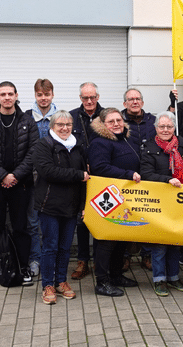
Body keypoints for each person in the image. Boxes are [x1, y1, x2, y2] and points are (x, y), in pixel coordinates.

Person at [0, 81, 39, 288]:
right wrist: (2, 176)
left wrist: (15, 176)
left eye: (10, 94)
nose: (7, 97)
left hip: (20, 184)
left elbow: (33, 152)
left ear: (16, 95)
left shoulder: (28, 121)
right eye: (3, 94)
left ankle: (23, 268)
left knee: (21, 227)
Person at [33, 111, 89, 305]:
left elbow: (85, 179)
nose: (65, 128)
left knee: (65, 248)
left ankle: (61, 282)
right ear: (52, 126)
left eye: (68, 124)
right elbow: (48, 171)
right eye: (60, 125)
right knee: (50, 246)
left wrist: (83, 205)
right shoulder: (43, 145)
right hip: (49, 205)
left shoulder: (78, 146)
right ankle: (47, 285)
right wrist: (77, 174)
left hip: (71, 206)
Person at [140, 111, 183, 297]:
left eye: (169, 126)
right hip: (159, 201)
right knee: (160, 243)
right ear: (155, 128)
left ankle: (173, 277)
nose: (165, 130)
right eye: (161, 126)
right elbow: (146, 174)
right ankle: (159, 280)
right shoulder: (148, 147)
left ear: (174, 128)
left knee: (175, 241)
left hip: (179, 202)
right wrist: (166, 180)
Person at [89, 108, 141, 297]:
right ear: (103, 125)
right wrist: (128, 174)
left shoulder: (127, 139)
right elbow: (100, 167)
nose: (116, 124)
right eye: (111, 121)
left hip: (126, 197)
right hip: (108, 197)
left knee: (121, 237)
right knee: (107, 240)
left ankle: (116, 275)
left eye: (119, 120)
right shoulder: (100, 143)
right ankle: (102, 282)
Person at [70, 82, 104, 280]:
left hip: (102, 176)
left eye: (92, 97)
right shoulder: (72, 117)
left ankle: (101, 260)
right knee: (81, 220)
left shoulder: (107, 115)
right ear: (80, 98)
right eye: (85, 98)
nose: (89, 101)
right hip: (80, 176)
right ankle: (83, 261)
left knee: (101, 217)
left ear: (98, 97)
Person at [25, 78, 58, 277]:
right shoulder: (26, 117)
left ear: (52, 95)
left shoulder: (61, 117)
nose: (43, 98)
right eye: (39, 95)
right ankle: (35, 259)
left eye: (46, 94)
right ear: (35, 95)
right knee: (32, 220)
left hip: (54, 177)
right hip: (31, 176)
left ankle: (51, 259)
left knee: (51, 221)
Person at [121, 87, 156, 271]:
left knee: (148, 214)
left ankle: (147, 255)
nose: (134, 102)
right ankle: (125, 256)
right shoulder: (119, 121)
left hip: (149, 175)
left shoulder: (153, 121)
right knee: (126, 216)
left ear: (142, 102)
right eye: (130, 99)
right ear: (124, 104)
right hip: (127, 175)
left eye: (137, 99)